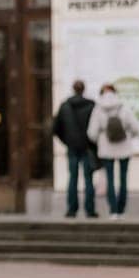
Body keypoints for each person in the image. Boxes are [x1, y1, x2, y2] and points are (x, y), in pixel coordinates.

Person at [87, 83, 139, 219]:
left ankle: (113, 210)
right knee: (123, 179)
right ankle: (121, 210)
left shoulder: (98, 109)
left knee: (110, 179)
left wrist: (101, 139)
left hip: (106, 148)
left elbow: (92, 133)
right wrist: (128, 136)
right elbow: (135, 127)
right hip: (124, 147)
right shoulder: (124, 107)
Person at [51, 80, 98, 218]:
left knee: (73, 178)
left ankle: (72, 209)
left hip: (72, 146)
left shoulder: (65, 106)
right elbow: (96, 128)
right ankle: (90, 210)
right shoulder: (91, 106)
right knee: (88, 178)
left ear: (73, 89)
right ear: (83, 90)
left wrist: (67, 141)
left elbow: (56, 128)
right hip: (87, 146)